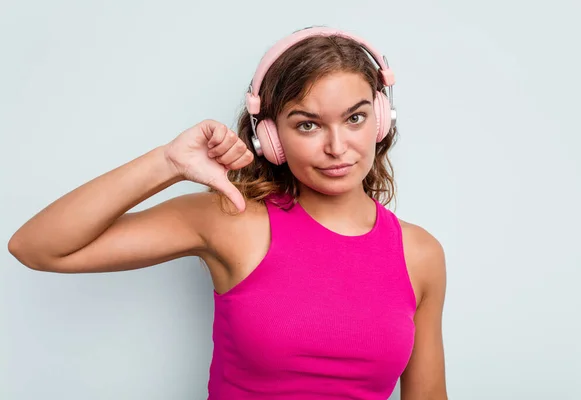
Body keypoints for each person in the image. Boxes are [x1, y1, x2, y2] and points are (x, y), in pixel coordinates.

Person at [8, 26, 448, 399]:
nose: (337, 147)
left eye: (355, 118)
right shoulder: (231, 219)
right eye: (307, 124)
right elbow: (38, 248)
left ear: (382, 119)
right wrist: (167, 163)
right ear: (270, 138)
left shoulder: (420, 253)